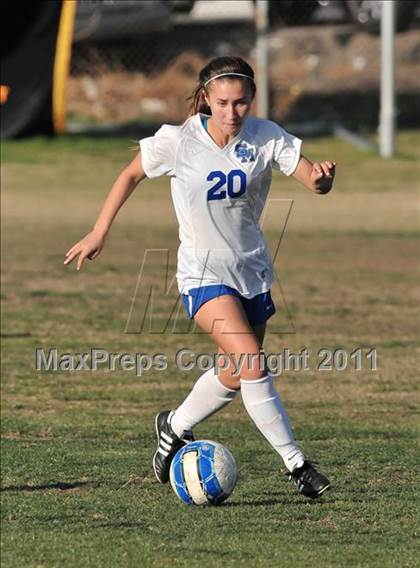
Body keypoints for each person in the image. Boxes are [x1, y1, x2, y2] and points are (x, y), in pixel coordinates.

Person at [65, 56, 336, 499]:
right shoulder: (179, 140)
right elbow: (131, 172)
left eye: (242, 103)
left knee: (233, 373)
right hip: (203, 275)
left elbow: (312, 181)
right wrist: (99, 231)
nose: (232, 113)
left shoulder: (266, 136)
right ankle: (298, 465)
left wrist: (323, 178)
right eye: (223, 102)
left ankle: (173, 426)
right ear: (206, 98)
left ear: (252, 100)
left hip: (251, 270)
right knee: (252, 363)